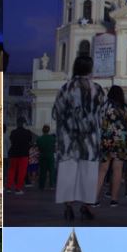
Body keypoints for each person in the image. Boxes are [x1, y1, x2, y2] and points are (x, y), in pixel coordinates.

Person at [52, 55, 105, 221]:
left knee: (68, 171)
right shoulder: (97, 89)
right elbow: (101, 113)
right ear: (90, 69)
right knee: (89, 173)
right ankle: (87, 206)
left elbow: (56, 112)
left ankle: (68, 206)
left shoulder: (66, 88)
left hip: (68, 139)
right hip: (90, 139)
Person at [98, 85, 127, 207]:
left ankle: (94, 199)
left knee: (102, 170)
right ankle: (114, 199)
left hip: (106, 140)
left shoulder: (104, 106)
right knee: (117, 170)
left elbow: (99, 121)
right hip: (120, 141)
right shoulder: (124, 107)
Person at [6, 117, 34, 194]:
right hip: (23, 154)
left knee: (11, 171)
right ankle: (18, 188)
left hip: (13, 153)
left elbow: (12, 140)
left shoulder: (13, 132)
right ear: (24, 123)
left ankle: (8, 187)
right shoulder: (27, 132)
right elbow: (30, 141)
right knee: (22, 172)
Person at [36, 125, 56, 191]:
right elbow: (54, 147)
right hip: (50, 156)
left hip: (43, 156)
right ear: (49, 130)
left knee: (42, 172)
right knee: (51, 171)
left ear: (42, 130)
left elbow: (38, 147)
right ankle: (52, 185)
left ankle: (42, 186)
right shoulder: (52, 138)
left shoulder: (39, 139)